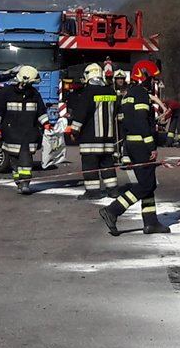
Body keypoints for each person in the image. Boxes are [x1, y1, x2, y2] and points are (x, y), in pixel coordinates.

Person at [100, 59, 168, 235]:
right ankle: (113, 211)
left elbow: (125, 122)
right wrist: (151, 145)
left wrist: (125, 150)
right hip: (141, 145)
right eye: (152, 79)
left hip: (132, 144)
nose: (153, 82)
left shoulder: (129, 94)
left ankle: (151, 222)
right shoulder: (140, 94)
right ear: (144, 76)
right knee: (146, 185)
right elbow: (140, 121)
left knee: (148, 184)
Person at [0, 65, 46, 192]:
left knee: (26, 160)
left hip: (29, 133)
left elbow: (41, 111)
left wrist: (46, 123)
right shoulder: (6, 93)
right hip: (11, 133)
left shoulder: (34, 94)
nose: (32, 85)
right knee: (14, 161)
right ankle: (19, 182)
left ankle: (25, 183)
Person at [69, 63, 119, 197]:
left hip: (90, 139)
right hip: (108, 138)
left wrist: (74, 131)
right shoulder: (110, 91)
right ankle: (113, 189)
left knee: (90, 165)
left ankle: (93, 191)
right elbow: (116, 113)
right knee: (107, 164)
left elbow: (81, 113)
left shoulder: (88, 92)